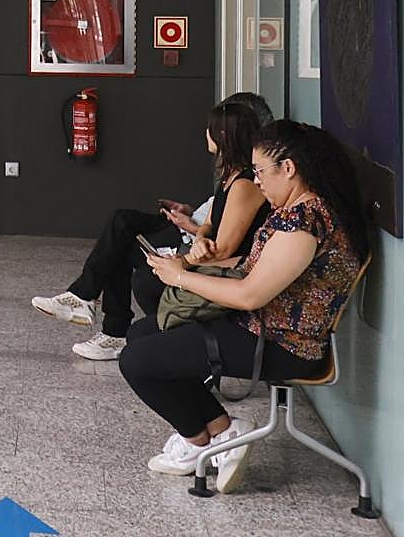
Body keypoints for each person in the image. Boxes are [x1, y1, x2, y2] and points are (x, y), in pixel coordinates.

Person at [121, 120, 369, 493]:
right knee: (143, 333)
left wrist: (180, 278)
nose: (257, 182)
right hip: (259, 327)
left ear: (289, 168)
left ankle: (206, 437)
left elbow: (251, 295)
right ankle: (216, 434)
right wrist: (189, 262)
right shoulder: (298, 210)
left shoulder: (305, 223)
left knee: (138, 361)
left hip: (282, 344)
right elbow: (251, 271)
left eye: (260, 172)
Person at [31, 96, 271, 360]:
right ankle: (98, 316)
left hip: (219, 263)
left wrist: (187, 253)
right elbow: (211, 224)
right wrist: (199, 232)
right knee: (121, 230)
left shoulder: (245, 184)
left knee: (132, 259)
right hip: (197, 245)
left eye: (209, 128)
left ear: (223, 135)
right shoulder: (230, 176)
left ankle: (106, 321)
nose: (205, 133)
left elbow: (224, 248)